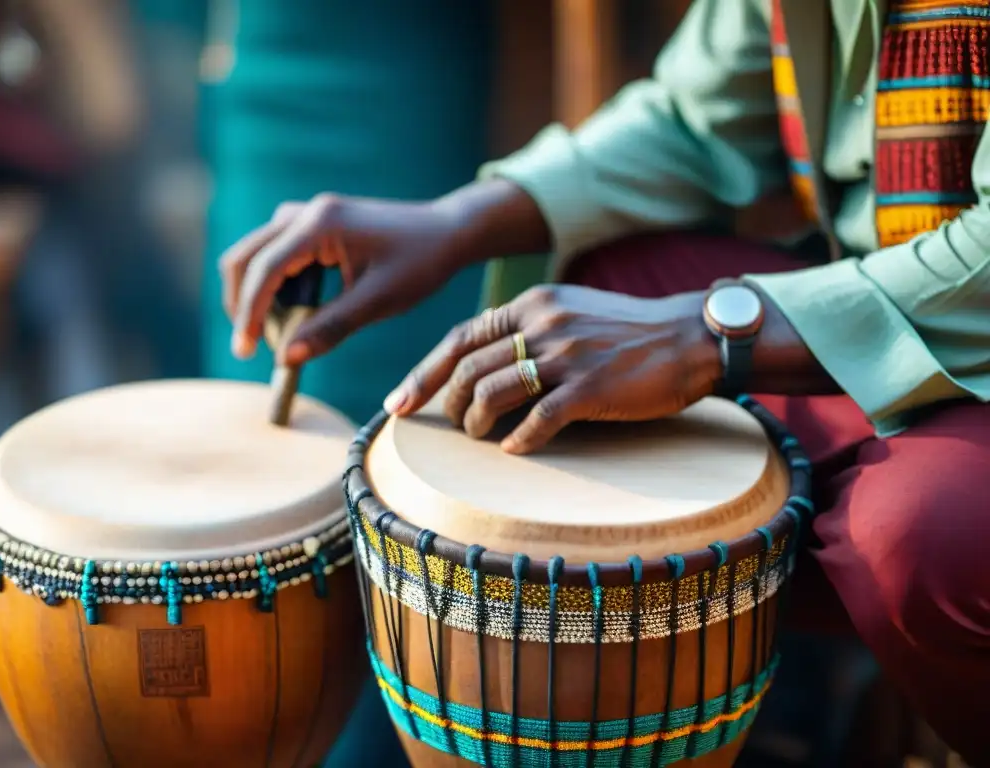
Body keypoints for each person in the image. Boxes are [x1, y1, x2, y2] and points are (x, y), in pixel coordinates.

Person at [218, 0, 990, 764]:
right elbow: (697, 121)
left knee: (918, 537)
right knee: (590, 305)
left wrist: (702, 334)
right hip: (890, 306)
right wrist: (458, 222)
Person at [201, 1, 493, 764]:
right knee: (252, 468)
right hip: (258, 63)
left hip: (404, 74)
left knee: (398, 464)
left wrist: (462, 223)